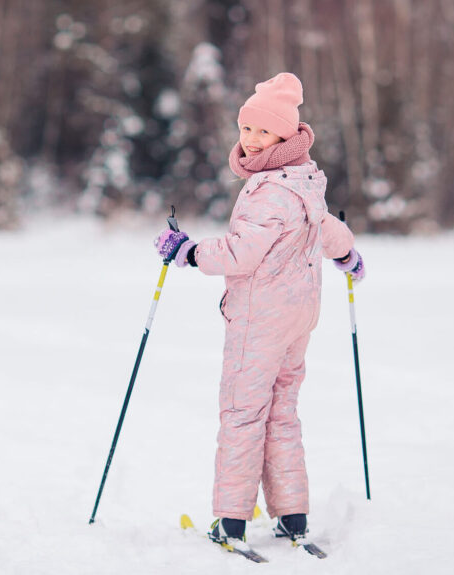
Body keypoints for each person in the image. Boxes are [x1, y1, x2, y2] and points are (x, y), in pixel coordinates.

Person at [153, 72, 365, 550]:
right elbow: (326, 227)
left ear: (285, 136)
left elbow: (240, 254)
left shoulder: (268, 191)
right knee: (281, 414)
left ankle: (230, 520)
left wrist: (186, 251)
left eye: (262, 132)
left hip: (261, 321)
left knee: (243, 414)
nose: (249, 140)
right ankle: (292, 515)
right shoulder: (304, 182)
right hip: (297, 316)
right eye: (245, 128)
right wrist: (347, 253)